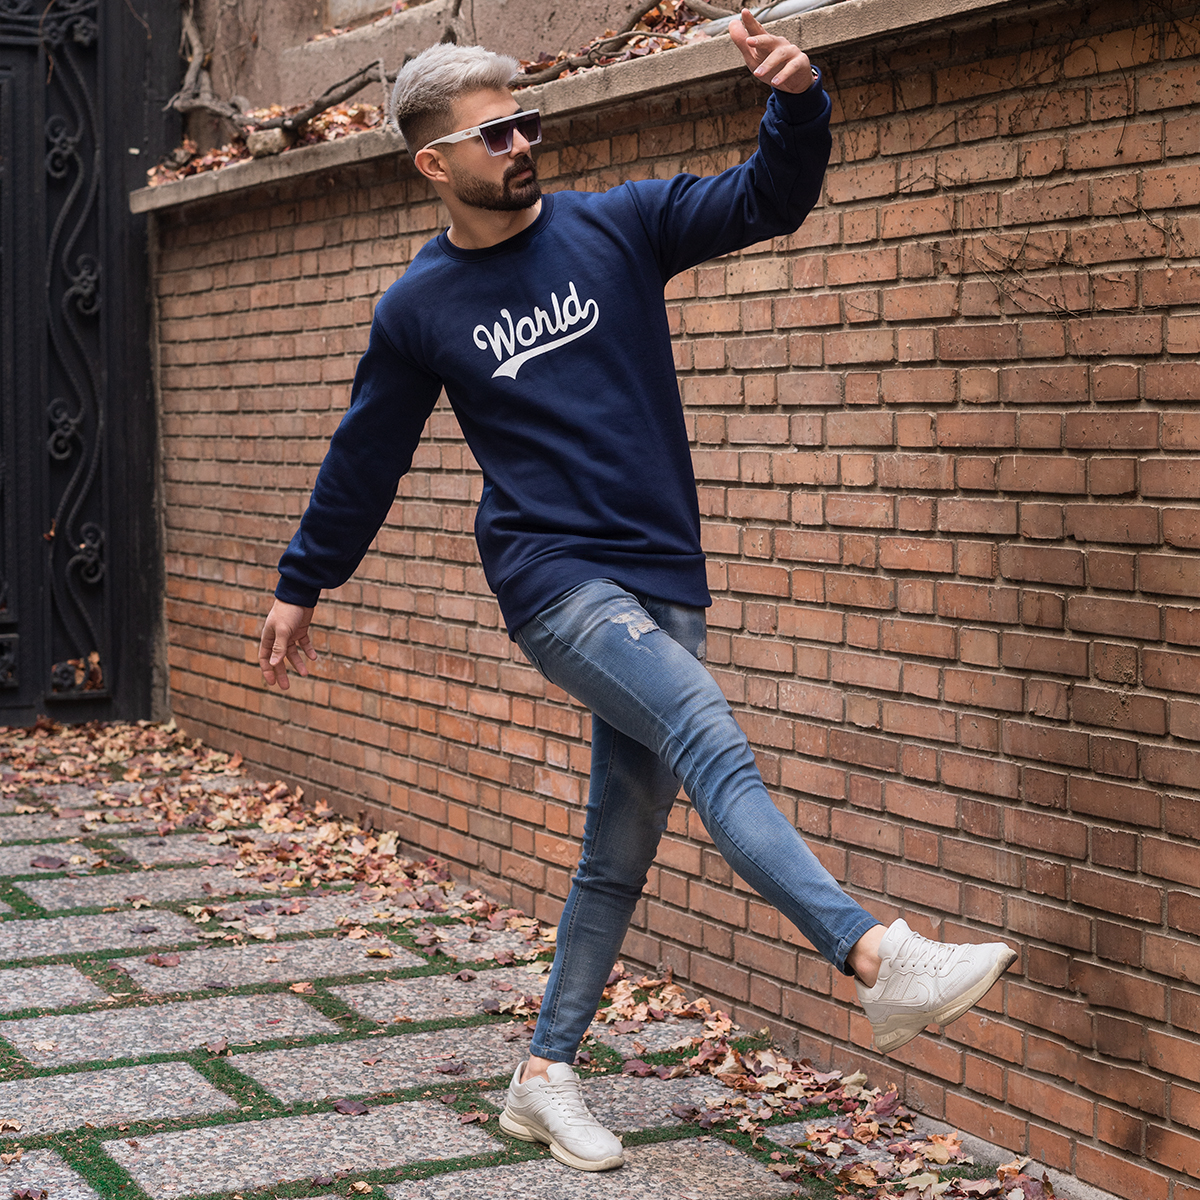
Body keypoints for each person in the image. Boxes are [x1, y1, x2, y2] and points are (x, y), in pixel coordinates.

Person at [258, 11, 1017, 1174]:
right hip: (554, 581)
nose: (523, 141)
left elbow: (768, 198)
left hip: (663, 568)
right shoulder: (418, 309)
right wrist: (305, 579)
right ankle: (875, 958)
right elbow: (367, 456)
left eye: (526, 121)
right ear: (434, 165)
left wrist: (797, 100)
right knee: (708, 730)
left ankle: (542, 1076)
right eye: (495, 133)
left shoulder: (617, 226)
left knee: (618, 848)